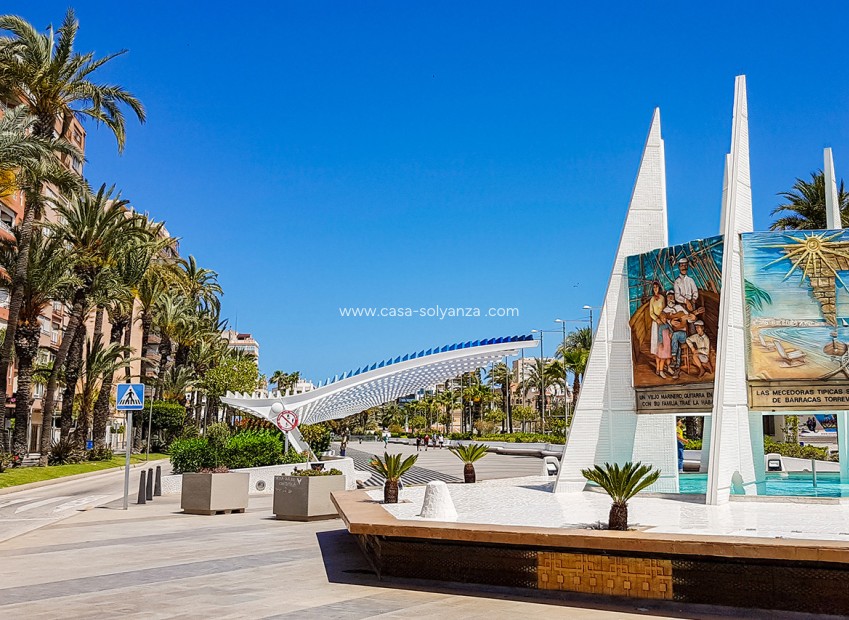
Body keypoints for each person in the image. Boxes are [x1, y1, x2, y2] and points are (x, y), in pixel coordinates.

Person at [663, 291, 702, 376]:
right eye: (669, 297)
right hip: (672, 336)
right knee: (677, 343)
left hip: (683, 334)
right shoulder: (665, 310)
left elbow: (689, 318)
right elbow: (663, 321)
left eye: (672, 297)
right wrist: (670, 321)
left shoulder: (680, 308)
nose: (671, 299)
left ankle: (673, 358)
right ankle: (677, 367)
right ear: (666, 299)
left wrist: (693, 317)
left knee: (675, 336)